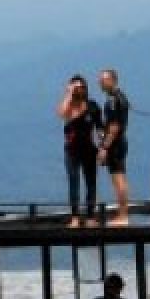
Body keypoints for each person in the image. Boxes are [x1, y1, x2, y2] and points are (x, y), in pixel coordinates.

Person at [57, 74, 103, 227]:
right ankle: (75, 216)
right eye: (76, 87)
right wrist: (68, 94)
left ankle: (90, 216)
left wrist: (103, 148)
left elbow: (100, 129)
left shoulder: (92, 106)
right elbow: (61, 114)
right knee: (73, 181)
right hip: (71, 151)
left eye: (81, 87)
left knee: (91, 183)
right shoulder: (69, 106)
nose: (79, 90)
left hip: (89, 149)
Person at [96, 68, 130, 225]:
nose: (100, 83)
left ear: (113, 80)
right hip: (119, 142)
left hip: (115, 144)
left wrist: (104, 148)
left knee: (118, 179)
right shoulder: (118, 98)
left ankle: (123, 216)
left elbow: (114, 127)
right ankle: (122, 214)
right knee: (119, 177)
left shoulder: (114, 101)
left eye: (103, 80)